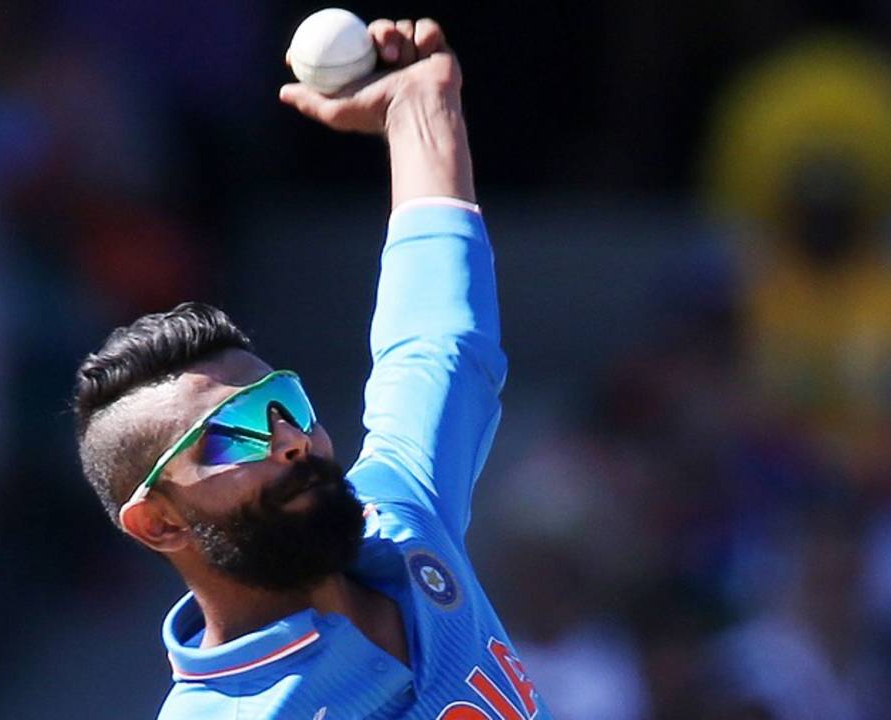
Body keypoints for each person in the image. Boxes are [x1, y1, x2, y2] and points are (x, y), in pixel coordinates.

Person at [72, 17, 551, 718]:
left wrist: (421, 111)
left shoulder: (401, 521)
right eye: (234, 431)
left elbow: (439, 343)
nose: (291, 440)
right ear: (158, 523)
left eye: (283, 406)